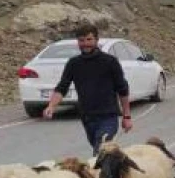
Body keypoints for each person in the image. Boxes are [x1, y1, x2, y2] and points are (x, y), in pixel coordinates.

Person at [42, 24, 133, 154]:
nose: (85, 44)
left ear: (96, 40)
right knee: (99, 149)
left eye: (89, 39)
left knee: (101, 151)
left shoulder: (110, 62)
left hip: (108, 117)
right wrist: (51, 106)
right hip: (87, 117)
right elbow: (62, 87)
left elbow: (123, 90)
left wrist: (127, 116)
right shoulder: (74, 64)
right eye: (81, 40)